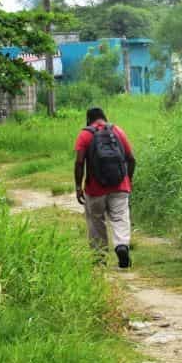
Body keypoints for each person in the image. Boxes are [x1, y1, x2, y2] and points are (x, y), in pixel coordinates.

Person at [74, 106, 136, 268]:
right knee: (120, 217)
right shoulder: (118, 131)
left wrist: (78, 187)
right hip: (120, 186)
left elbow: (79, 162)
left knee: (96, 221)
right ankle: (121, 246)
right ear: (104, 117)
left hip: (95, 189)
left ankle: (99, 257)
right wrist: (128, 180)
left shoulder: (85, 134)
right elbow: (131, 159)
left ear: (89, 119)